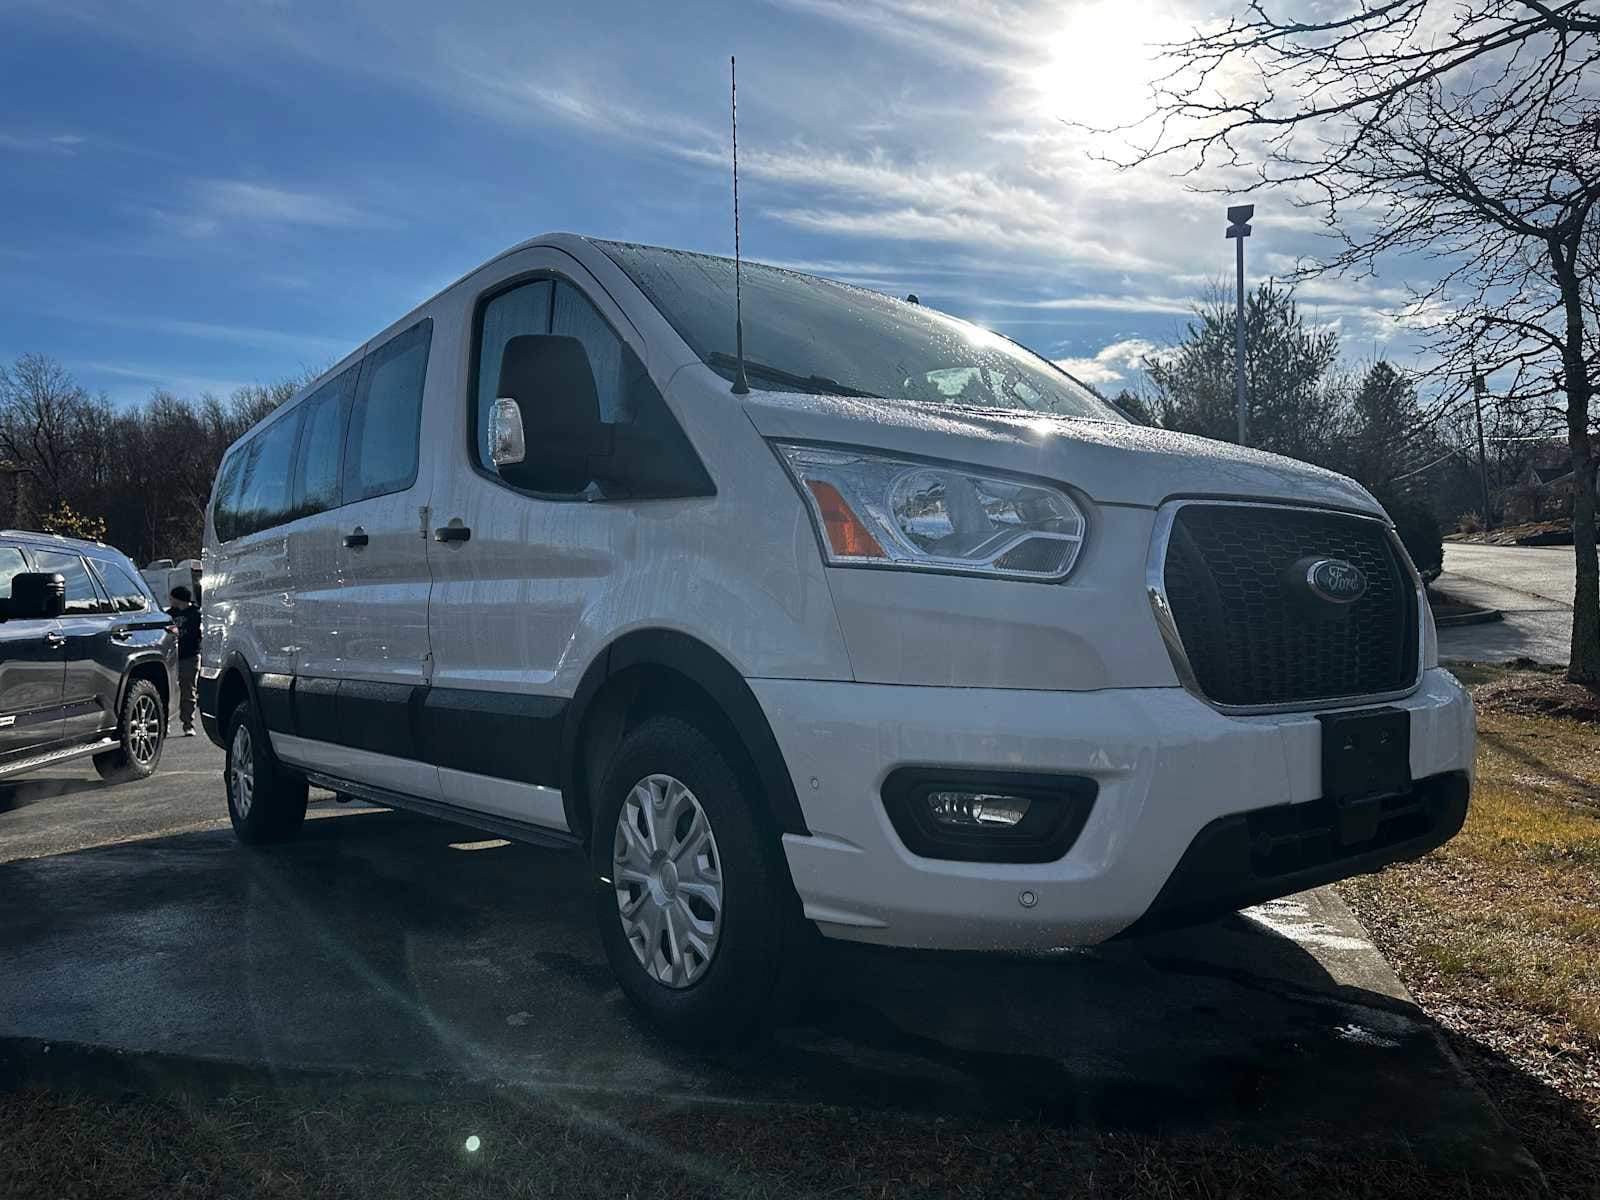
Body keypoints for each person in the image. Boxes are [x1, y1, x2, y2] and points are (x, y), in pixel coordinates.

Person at [167, 586, 201, 736]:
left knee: (188, 691)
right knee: (168, 691)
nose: (170, 601)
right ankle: (165, 723)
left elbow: (198, 634)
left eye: (172, 598)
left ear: (178, 598)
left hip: (190, 656)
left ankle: (188, 724)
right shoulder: (168, 615)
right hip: (171, 658)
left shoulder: (196, 614)